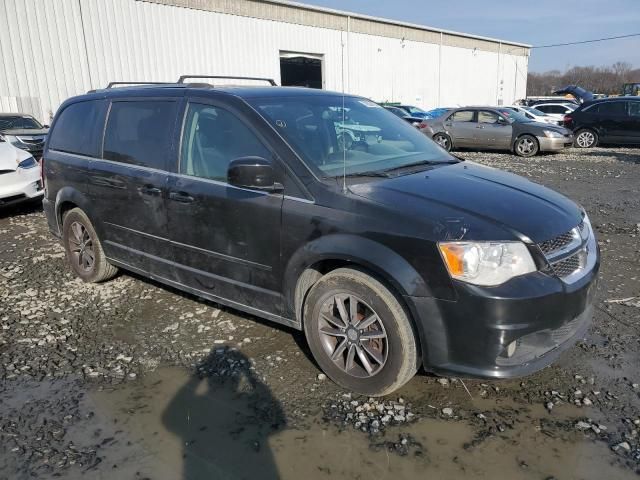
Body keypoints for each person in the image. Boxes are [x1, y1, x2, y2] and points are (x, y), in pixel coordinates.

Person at [162, 348, 286, 479]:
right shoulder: (245, 402)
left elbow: (169, 419)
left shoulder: (198, 406)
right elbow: (278, 420)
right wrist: (251, 376)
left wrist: (196, 378)